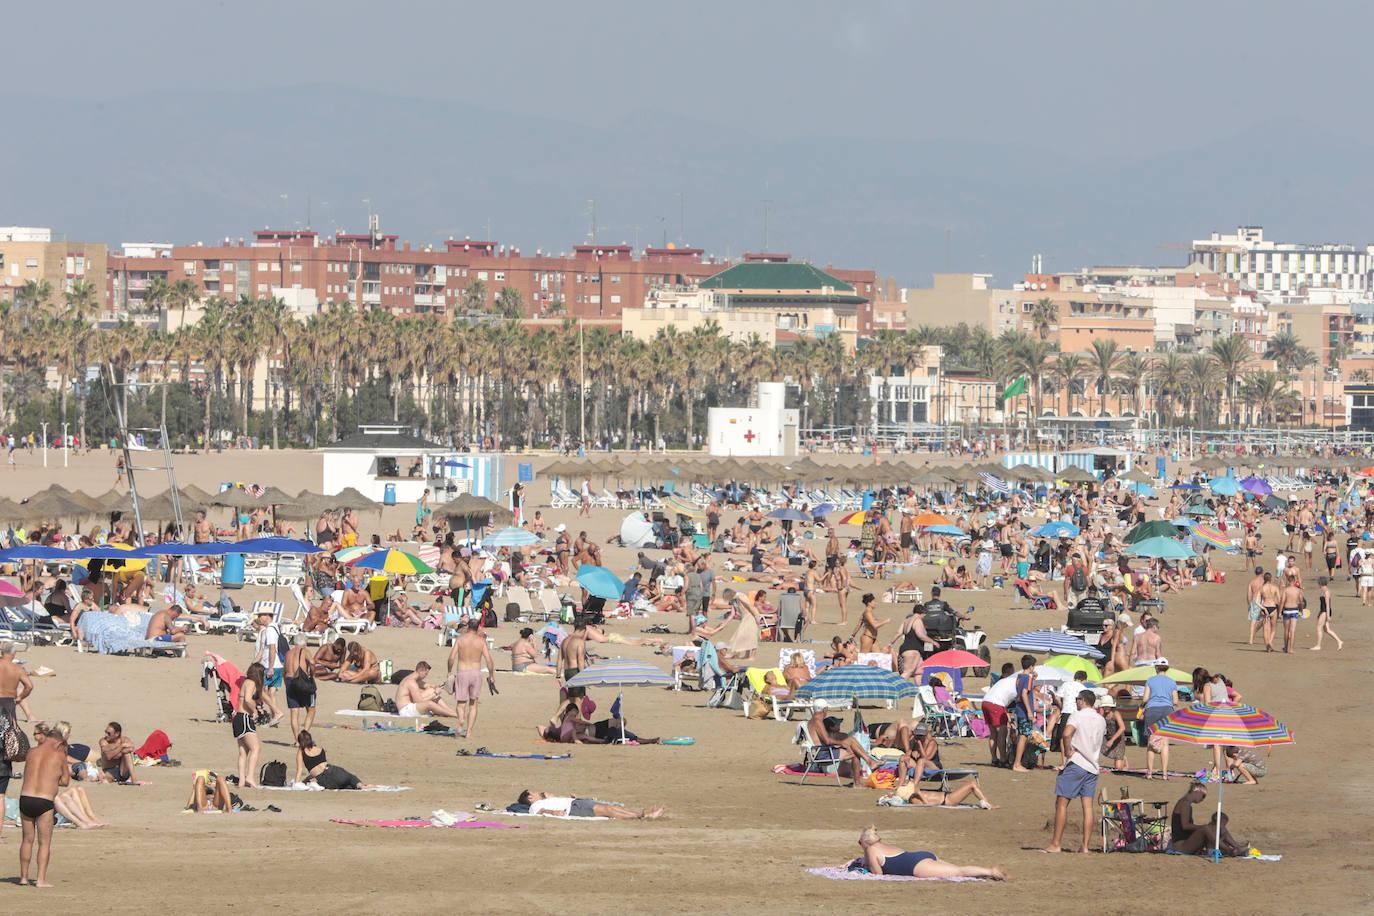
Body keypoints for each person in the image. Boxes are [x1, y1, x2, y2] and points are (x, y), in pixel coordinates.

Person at [1042, 689, 1104, 854]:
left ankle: (1056, 843)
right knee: (1088, 807)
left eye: (1077, 699)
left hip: (1077, 763)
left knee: (1061, 803)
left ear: (1083, 701)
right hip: (1093, 766)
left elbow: (1066, 733)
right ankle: (1085, 846)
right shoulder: (1100, 719)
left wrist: (1068, 751)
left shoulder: (1077, 715)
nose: (1076, 702)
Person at [17, 719, 71, 887]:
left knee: (27, 839)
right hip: (44, 800)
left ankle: (24, 878)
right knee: (44, 842)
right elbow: (65, 781)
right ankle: (40, 879)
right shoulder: (59, 755)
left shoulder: (32, 752)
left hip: (25, 797)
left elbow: (28, 775)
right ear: (59, 741)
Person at [856, 825, 1008, 880]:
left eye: (860, 842)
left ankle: (991, 871)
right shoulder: (882, 845)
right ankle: (983, 873)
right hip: (921, 856)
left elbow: (877, 875)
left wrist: (866, 864)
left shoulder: (871, 849)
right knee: (957, 870)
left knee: (958, 872)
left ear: (866, 842)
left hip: (917, 866)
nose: (860, 845)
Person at [0, 639, 35, 838]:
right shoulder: (17, 669)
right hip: (9, 711)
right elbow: (29, 686)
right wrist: (19, 699)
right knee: (1, 792)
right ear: (12, 653)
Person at [805, 702, 880, 789]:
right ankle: (860, 778)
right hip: (823, 754)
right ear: (824, 709)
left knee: (852, 742)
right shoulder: (818, 722)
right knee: (855, 751)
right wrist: (841, 743)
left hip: (820, 751)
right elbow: (827, 740)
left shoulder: (812, 721)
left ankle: (869, 762)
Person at [447, 619, 495, 738]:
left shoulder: (460, 639)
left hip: (462, 672)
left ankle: (461, 720)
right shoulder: (481, 641)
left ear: (468, 626)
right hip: (476, 673)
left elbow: (451, 658)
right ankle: (468, 732)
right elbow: (488, 660)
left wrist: (449, 671)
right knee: (473, 704)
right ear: (478, 627)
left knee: (461, 703)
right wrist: (491, 675)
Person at [294, 730, 375, 789]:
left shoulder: (301, 751)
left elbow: (300, 769)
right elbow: (320, 766)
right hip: (332, 771)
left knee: (343, 786)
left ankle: (359, 786)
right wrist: (307, 778)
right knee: (350, 778)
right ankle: (361, 786)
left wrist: (297, 783)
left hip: (323, 781)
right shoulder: (320, 749)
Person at [517, 789, 665, 820]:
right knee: (608, 810)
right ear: (530, 797)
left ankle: (641, 814)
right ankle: (641, 815)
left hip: (576, 802)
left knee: (614, 807)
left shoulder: (544, 799)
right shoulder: (534, 806)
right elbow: (540, 811)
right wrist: (554, 813)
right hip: (573, 808)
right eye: (533, 792)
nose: (537, 792)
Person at [1142, 659, 1178, 780]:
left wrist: (1142, 705)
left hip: (1152, 709)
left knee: (1151, 742)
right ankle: (1164, 774)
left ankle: (1150, 773)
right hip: (1167, 710)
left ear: (1156, 668)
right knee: (1165, 742)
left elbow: (1145, 698)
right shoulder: (1172, 682)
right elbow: (1176, 701)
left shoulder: (1150, 680)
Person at [250, 609, 284, 725]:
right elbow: (261, 651)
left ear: (267, 616)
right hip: (279, 665)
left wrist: (270, 668)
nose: (259, 618)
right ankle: (275, 719)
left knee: (261, 691)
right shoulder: (275, 627)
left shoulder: (269, 630)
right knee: (272, 692)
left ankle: (277, 712)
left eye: (260, 615)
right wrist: (253, 663)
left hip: (271, 665)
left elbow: (272, 649)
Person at [234, 662, 266, 789]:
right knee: (256, 748)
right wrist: (254, 711)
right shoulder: (251, 682)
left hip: (238, 718)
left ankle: (242, 780)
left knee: (243, 751)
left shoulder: (246, 682)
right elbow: (247, 699)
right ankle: (250, 777)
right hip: (244, 718)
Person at [396, 661, 460, 718]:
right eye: (425, 673)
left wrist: (441, 686)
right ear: (420, 670)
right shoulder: (412, 683)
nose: (425, 676)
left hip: (410, 705)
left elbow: (429, 686)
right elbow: (419, 701)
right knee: (430, 704)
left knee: (431, 690)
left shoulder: (414, 678)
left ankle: (451, 711)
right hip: (405, 711)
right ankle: (454, 715)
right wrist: (435, 693)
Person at [283, 634, 317, 735]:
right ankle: (305, 734)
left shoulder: (288, 653)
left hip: (290, 680)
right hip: (302, 680)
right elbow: (312, 662)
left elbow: (284, 671)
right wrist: (312, 674)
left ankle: (297, 740)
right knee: (311, 708)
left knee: (294, 712)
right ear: (305, 643)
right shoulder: (304, 651)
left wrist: (286, 684)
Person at [1010, 654, 1038, 773]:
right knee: (1023, 736)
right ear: (1031, 666)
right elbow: (1024, 693)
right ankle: (1017, 764)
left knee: (1023, 735)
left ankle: (1017, 762)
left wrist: (1034, 679)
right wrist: (1029, 712)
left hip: (1020, 710)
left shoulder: (1020, 676)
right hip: (1024, 710)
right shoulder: (1027, 678)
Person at [1170, 780, 1207, 850]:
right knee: (1207, 829)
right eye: (1203, 796)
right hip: (1181, 845)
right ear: (1197, 791)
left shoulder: (1185, 803)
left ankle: (1230, 847)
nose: (1203, 799)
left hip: (1183, 842)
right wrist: (1203, 827)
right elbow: (1185, 826)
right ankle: (1228, 848)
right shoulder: (1185, 803)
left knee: (1213, 829)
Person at [1311, 575, 1343, 651]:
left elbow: (1327, 604)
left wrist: (1328, 616)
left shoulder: (1326, 591)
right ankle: (1339, 641)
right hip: (1323, 611)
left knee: (1319, 628)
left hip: (1325, 611)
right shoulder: (1323, 591)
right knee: (1327, 629)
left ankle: (1318, 645)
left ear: (1320, 583)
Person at [1097, 695, 1129, 771]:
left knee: (1118, 769)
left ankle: (1124, 759)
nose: (1105, 708)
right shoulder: (1104, 714)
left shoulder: (1116, 714)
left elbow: (1122, 728)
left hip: (1118, 739)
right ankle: (1121, 757)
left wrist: (1112, 740)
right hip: (1107, 737)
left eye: (1107, 706)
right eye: (1104, 706)